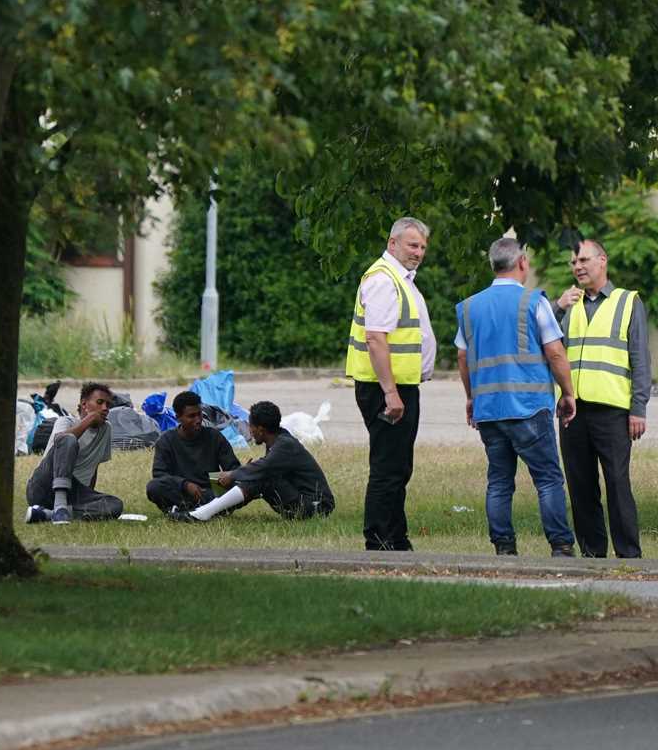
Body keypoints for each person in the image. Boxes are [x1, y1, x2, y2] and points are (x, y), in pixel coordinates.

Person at [455, 238, 578, 557]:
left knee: (499, 482)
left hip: (489, 411)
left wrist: (471, 398)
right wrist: (568, 393)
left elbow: (462, 357)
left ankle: (504, 548)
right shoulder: (533, 302)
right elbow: (555, 352)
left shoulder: (469, 307)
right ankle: (561, 547)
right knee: (548, 480)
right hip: (529, 409)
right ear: (522, 262)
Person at [553, 239, 650, 558]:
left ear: (602, 261)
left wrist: (638, 409)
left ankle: (629, 556)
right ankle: (593, 555)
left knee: (618, 484)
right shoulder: (570, 305)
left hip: (613, 413)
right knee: (581, 487)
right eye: (573, 262)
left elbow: (640, 359)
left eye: (583, 260)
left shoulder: (627, 302)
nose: (577, 267)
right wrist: (557, 307)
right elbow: (542, 340)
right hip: (573, 412)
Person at [345, 217, 435, 551]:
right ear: (392, 243)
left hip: (398, 387)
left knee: (398, 465)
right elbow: (376, 340)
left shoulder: (400, 278)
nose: (419, 252)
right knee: (388, 466)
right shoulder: (384, 280)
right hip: (387, 390)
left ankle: (396, 538)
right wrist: (391, 393)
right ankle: (380, 540)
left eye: (423, 247)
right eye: (413, 245)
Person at [167, 401, 334, 522]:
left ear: (261, 429)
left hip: (316, 507)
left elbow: (264, 467)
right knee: (254, 476)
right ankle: (202, 511)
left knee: (260, 477)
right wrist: (241, 474)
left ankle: (201, 514)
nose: (250, 431)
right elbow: (262, 467)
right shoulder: (279, 440)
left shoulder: (285, 445)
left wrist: (233, 474)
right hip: (304, 502)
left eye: (251, 427)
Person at [23, 382, 124, 523]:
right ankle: (59, 506)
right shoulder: (65, 421)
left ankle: (48, 514)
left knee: (115, 505)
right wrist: (88, 420)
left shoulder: (106, 429)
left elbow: (93, 466)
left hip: (73, 491)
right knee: (68, 439)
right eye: (100, 402)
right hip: (43, 485)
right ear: (84, 405)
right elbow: (61, 440)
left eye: (108, 405)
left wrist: (89, 495)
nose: (105, 408)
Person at [145, 391, 241, 515]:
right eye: (191, 416)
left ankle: (187, 511)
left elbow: (232, 467)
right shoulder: (166, 440)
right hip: (182, 492)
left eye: (199, 414)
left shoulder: (214, 436)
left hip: (209, 490)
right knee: (154, 487)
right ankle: (205, 509)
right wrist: (185, 484)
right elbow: (159, 474)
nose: (198, 420)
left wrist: (236, 473)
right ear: (178, 418)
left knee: (242, 486)